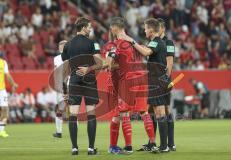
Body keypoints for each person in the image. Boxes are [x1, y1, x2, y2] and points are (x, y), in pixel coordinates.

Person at [105, 17, 157, 154]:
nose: (110, 30)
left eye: (111, 27)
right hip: (142, 78)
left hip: (128, 80)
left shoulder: (117, 43)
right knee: (144, 112)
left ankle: (128, 147)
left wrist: (107, 62)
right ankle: (153, 143)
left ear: (115, 27)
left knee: (123, 113)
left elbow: (109, 64)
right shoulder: (133, 42)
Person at [119, 18, 170, 152]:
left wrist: (131, 41)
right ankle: (157, 145)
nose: (144, 30)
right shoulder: (155, 43)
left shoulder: (156, 42)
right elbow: (145, 50)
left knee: (160, 112)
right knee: (156, 112)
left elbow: (146, 52)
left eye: (146, 28)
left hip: (157, 81)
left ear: (152, 30)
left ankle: (164, 146)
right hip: (156, 80)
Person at [61, 17, 101, 155]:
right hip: (89, 79)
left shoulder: (68, 45)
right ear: (83, 28)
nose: (90, 29)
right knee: (91, 114)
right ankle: (90, 148)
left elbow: (65, 67)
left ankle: (74, 148)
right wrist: (88, 69)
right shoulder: (92, 43)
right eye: (89, 27)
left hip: (74, 80)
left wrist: (65, 88)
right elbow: (100, 63)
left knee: (73, 115)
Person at [138, 18, 176, 152]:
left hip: (162, 81)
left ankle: (169, 143)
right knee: (152, 110)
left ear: (162, 29)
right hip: (156, 80)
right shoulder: (153, 42)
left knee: (165, 111)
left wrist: (167, 79)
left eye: (160, 28)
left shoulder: (167, 42)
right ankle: (153, 142)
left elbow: (169, 62)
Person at [52, 40, 68, 138]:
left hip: (70, 84)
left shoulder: (72, 57)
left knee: (72, 109)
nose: (60, 47)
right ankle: (58, 132)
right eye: (60, 45)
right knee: (59, 109)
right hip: (60, 87)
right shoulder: (56, 58)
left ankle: (74, 130)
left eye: (62, 46)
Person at [0, 52, 18, 137]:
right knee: (5, 110)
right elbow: (7, 76)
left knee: (5, 110)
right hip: (2, 91)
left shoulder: (3, 63)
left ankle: (1, 131)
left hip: (2, 91)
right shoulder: (3, 63)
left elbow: (7, 76)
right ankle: (1, 131)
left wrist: (13, 84)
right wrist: (13, 84)